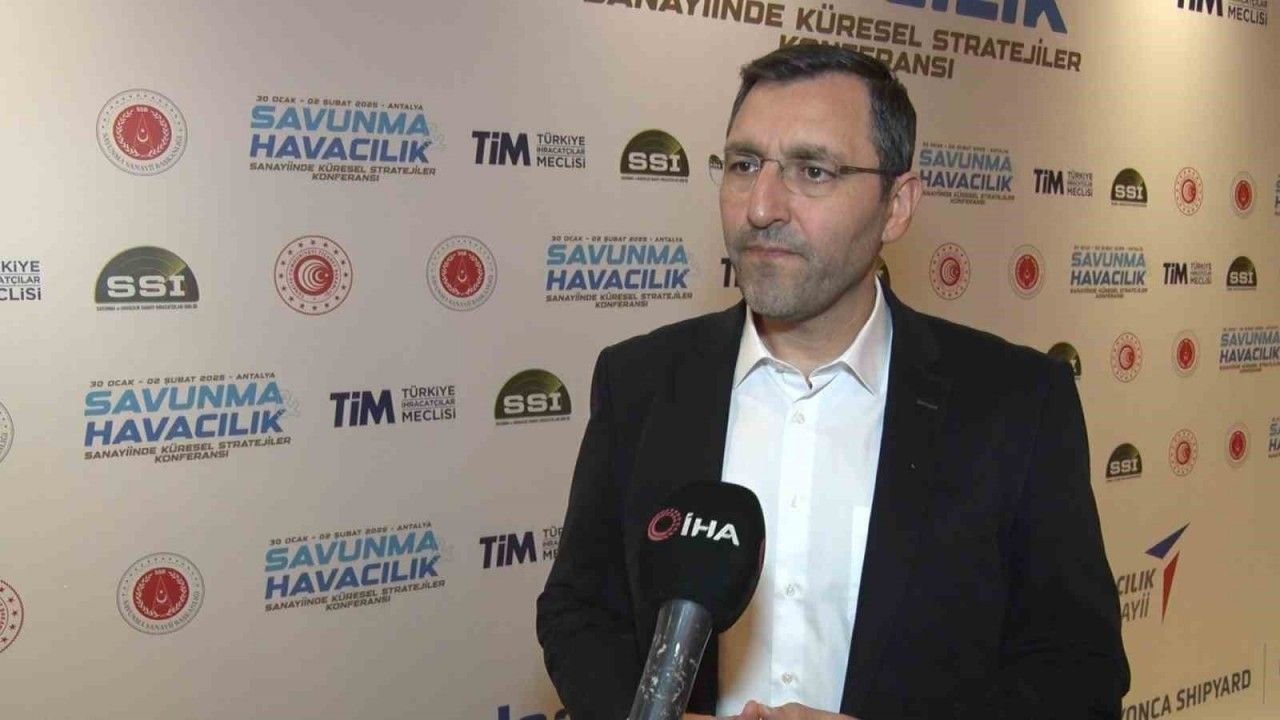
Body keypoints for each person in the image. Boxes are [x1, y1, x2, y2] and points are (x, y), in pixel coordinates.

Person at [536, 45, 1128, 720]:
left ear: (896, 205)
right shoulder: (639, 381)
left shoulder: (1018, 404)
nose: (761, 207)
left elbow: (1078, 670)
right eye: (744, 164)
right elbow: (579, 610)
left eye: (812, 171)